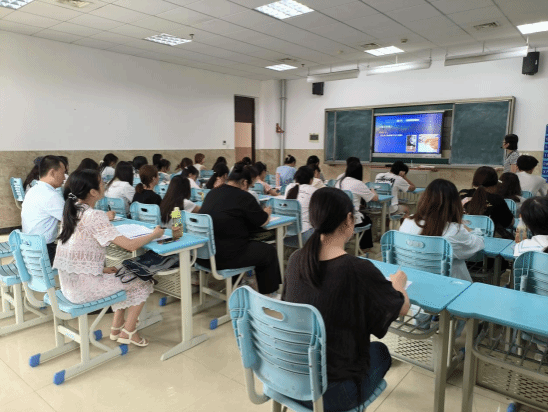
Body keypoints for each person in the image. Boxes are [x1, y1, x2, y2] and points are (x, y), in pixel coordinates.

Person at [283, 187, 409, 412]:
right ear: (349, 219)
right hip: (332, 394)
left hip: (287, 379)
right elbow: (402, 308)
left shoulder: (296, 260)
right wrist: (399, 285)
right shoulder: (357, 269)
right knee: (380, 352)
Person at [54, 169, 164, 347]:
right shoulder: (94, 215)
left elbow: (73, 252)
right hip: (84, 291)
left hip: (69, 286)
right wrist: (154, 234)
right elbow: (130, 246)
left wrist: (102, 269)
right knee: (144, 280)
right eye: (101, 182)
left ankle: (116, 327)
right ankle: (129, 331)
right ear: (93, 192)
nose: (104, 185)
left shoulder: (71, 211)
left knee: (123, 272)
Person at [198, 163, 282, 297]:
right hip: (226, 257)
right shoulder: (244, 197)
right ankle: (268, 295)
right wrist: (266, 212)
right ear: (244, 182)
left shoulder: (213, 193)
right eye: (250, 186)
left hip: (204, 255)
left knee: (236, 241)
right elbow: (262, 221)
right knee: (268, 251)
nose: (248, 189)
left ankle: (238, 283)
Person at [400, 179, 485, 281]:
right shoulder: (454, 230)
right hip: (446, 284)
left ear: (424, 199)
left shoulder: (408, 222)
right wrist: (467, 228)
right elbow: (478, 245)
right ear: (454, 204)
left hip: (411, 279)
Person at [21, 155, 67, 264]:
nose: (64, 178)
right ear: (52, 173)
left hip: (29, 248)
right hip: (44, 252)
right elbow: (73, 220)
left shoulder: (33, 190)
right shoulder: (51, 195)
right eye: (63, 173)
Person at [335, 161, 378, 251]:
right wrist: (373, 190)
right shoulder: (358, 183)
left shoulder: (339, 182)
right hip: (351, 218)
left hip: (338, 217)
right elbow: (375, 198)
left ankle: (348, 241)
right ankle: (364, 248)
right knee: (367, 219)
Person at [460, 166, 514, 237]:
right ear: (495, 184)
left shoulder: (462, 195)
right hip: (488, 239)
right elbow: (509, 223)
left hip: (463, 237)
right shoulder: (497, 199)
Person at [285, 166, 317, 244]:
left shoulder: (289, 187)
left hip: (285, 234)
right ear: (311, 179)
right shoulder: (313, 190)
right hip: (305, 235)